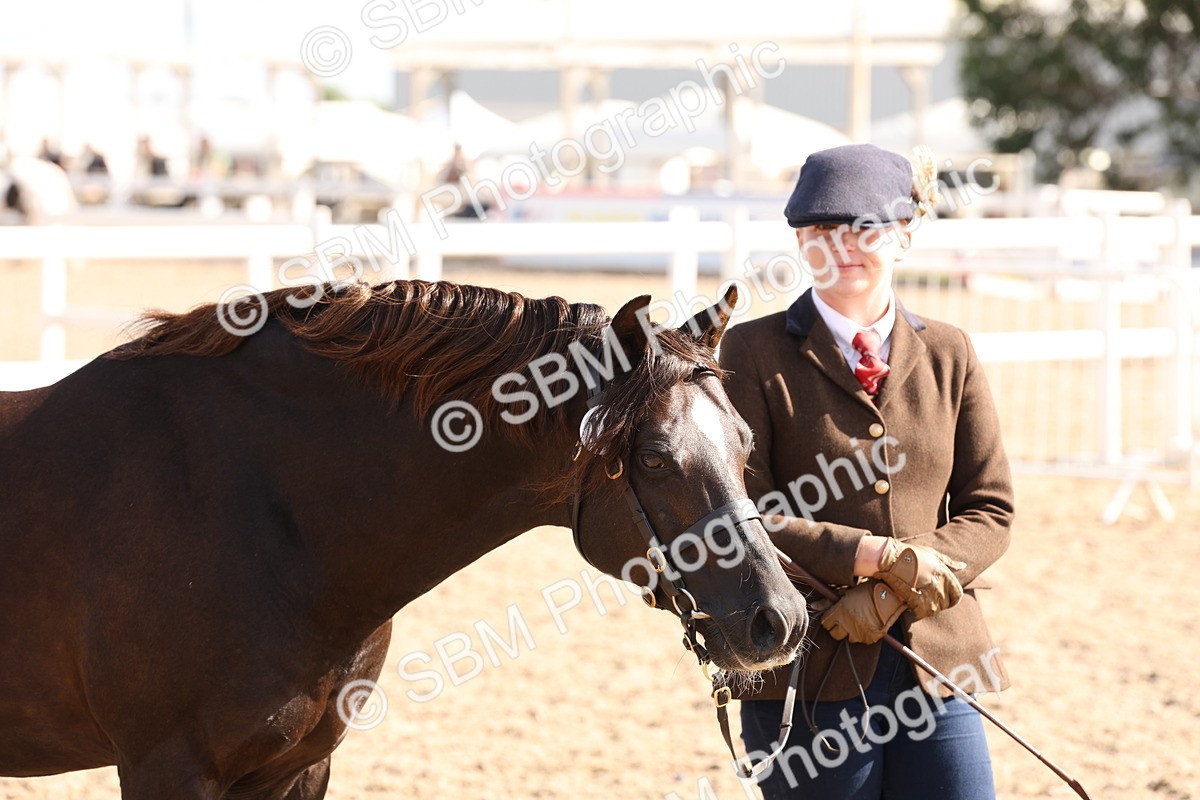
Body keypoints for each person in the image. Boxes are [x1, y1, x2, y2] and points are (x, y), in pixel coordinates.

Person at [718, 143, 1014, 799]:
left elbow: (990, 509)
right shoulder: (750, 351)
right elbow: (742, 514)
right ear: (799, 240)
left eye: (864, 227)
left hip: (938, 662)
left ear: (904, 235)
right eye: (821, 228)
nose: (841, 245)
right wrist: (873, 556)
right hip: (806, 664)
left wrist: (894, 588)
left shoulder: (950, 352)